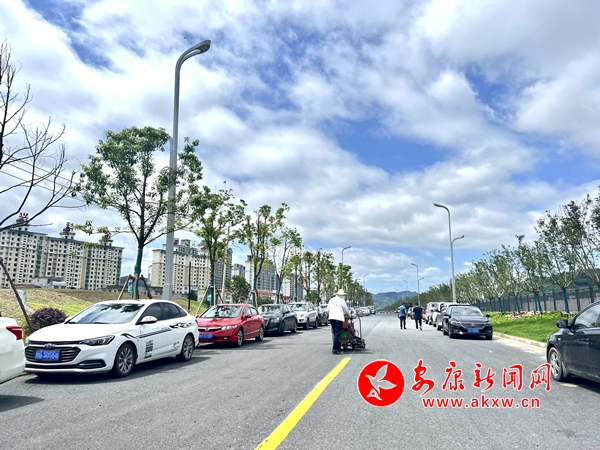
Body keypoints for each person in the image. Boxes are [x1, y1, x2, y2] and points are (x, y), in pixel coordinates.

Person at [327, 288, 350, 354]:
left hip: (332, 318)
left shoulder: (331, 300)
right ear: (341, 295)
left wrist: (331, 314)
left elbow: (328, 310)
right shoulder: (342, 301)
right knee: (337, 334)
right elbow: (345, 309)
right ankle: (335, 349)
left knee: (335, 333)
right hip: (338, 319)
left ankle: (338, 347)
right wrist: (349, 315)